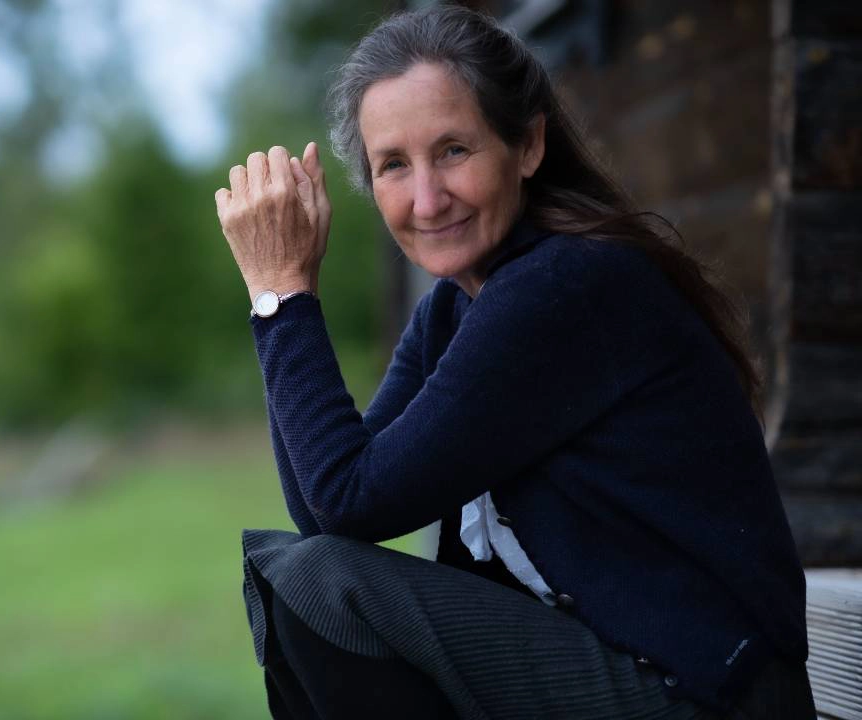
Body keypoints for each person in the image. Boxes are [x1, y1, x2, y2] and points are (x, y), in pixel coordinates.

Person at [214, 6, 815, 719]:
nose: (427, 200)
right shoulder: (454, 309)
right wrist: (277, 298)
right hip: (625, 668)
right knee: (311, 573)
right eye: (394, 165)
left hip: (708, 691)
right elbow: (329, 513)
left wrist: (284, 294)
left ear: (528, 145)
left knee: (325, 583)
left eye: (453, 151)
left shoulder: (566, 286)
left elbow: (346, 505)